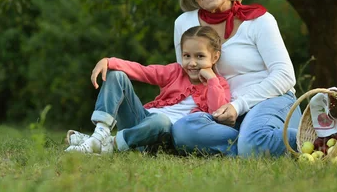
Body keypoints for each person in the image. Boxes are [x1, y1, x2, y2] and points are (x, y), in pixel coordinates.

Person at [171, 0, 303, 157]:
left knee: (251, 143)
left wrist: (238, 105)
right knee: (182, 131)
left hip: (270, 102)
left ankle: (322, 138)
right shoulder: (184, 23)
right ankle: (254, 143)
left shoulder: (259, 20)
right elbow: (187, 81)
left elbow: (285, 76)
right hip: (221, 112)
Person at [65, 26, 230, 155]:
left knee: (161, 120)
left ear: (215, 57)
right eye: (187, 56)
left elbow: (217, 113)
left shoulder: (219, 84)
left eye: (199, 56)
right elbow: (143, 71)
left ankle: (109, 143)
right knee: (116, 75)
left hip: (161, 136)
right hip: (142, 121)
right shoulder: (175, 72)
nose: (192, 63)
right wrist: (109, 61)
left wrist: (212, 80)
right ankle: (100, 133)